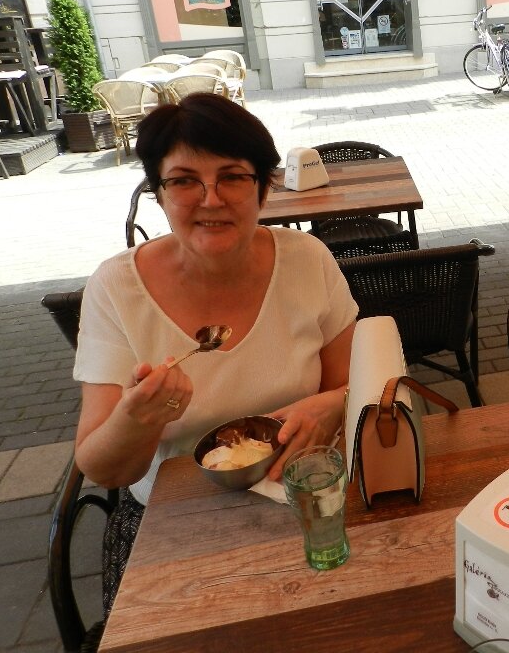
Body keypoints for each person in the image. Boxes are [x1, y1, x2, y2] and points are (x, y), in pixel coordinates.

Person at [72, 93, 357, 612]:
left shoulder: (307, 260)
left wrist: (332, 404)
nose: (210, 199)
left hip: (304, 496)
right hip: (173, 523)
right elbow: (103, 469)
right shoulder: (115, 288)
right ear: (159, 194)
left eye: (232, 177)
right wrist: (137, 419)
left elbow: (360, 384)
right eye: (184, 181)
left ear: (263, 188)